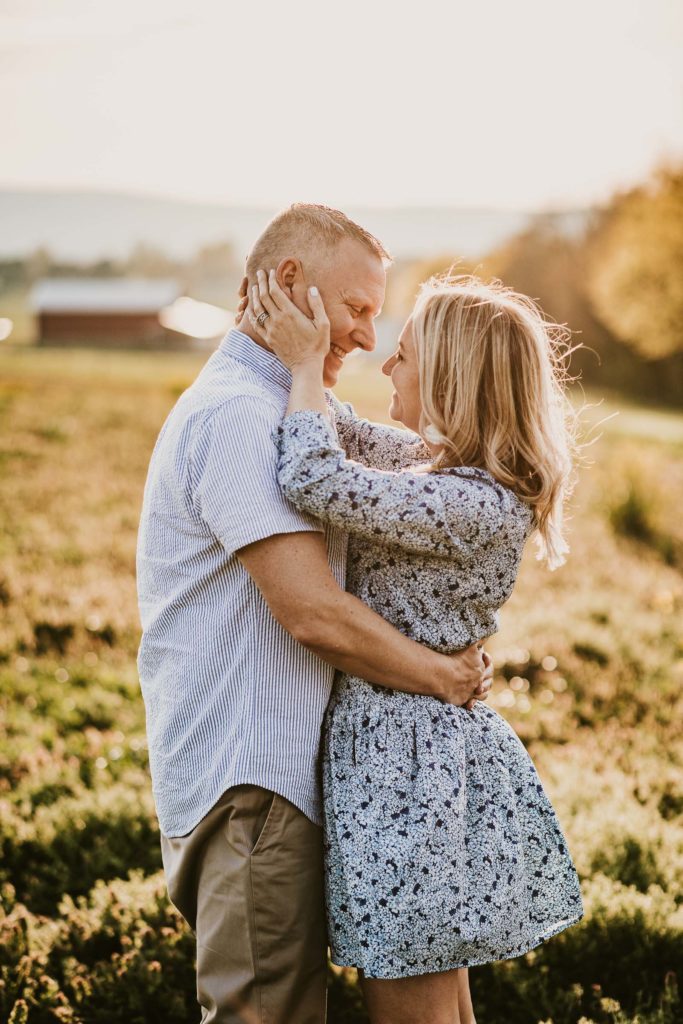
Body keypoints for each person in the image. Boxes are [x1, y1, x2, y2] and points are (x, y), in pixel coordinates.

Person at [135, 204, 492, 1024]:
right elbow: (312, 614)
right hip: (251, 783)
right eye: (356, 308)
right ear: (287, 285)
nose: (369, 337)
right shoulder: (236, 415)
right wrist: (444, 676)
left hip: (274, 785)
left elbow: (429, 474)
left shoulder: (293, 413)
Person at [246, 267, 585, 1024]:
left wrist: (304, 367)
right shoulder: (442, 475)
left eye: (405, 353)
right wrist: (296, 360)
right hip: (410, 758)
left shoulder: (466, 502)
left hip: (408, 772)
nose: (387, 365)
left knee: (413, 1008)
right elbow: (344, 433)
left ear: (452, 377)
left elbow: (313, 474)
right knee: (439, 1004)